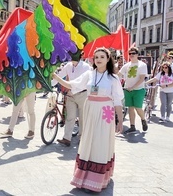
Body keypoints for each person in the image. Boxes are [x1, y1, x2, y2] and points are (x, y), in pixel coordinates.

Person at [52, 47, 124, 193]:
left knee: (100, 143)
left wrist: (120, 120)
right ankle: (84, 178)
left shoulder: (113, 78)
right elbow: (73, 84)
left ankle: (97, 180)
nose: (98, 59)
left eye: (102, 57)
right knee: (88, 141)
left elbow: (117, 101)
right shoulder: (89, 75)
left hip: (105, 113)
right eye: (96, 57)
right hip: (90, 110)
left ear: (108, 59)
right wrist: (56, 77)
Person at [53, 52, 91, 146]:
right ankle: (67, 138)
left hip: (82, 94)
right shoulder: (68, 66)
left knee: (83, 117)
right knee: (70, 117)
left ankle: (82, 138)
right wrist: (51, 84)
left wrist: (72, 90)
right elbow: (60, 75)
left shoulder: (86, 67)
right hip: (70, 95)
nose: (72, 57)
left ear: (80, 56)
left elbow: (84, 82)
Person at [118, 47, 148, 134]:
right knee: (130, 108)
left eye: (133, 53)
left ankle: (143, 119)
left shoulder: (142, 65)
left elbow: (142, 78)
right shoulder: (126, 65)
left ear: (137, 54)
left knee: (138, 108)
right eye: (130, 53)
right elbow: (119, 75)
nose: (131, 55)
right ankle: (132, 126)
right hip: (127, 90)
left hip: (138, 90)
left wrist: (133, 87)